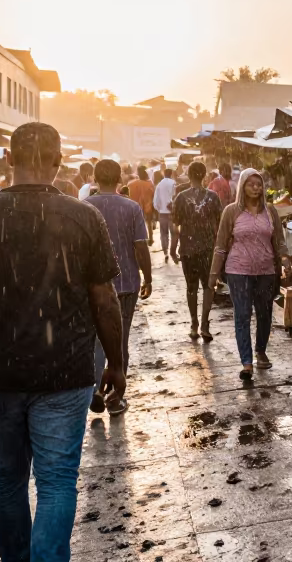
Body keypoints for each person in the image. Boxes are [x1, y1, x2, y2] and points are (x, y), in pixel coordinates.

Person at [0, 122, 125, 562]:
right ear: (58, 162)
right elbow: (105, 301)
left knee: (6, 478)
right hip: (65, 371)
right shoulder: (82, 216)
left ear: (9, 158)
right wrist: (116, 363)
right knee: (56, 481)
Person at [205, 168, 291, 380]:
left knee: (264, 314)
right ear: (242, 187)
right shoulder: (231, 211)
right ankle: (246, 362)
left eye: (259, 184)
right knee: (242, 315)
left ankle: (260, 351)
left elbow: (279, 240)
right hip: (237, 271)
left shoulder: (270, 211)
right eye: (251, 184)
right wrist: (214, 273)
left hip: (266, 272)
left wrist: (285, 260)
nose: (256, 188)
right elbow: (221, 245)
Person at [85, 160, 152, 415]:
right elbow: (140, 246)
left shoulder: (86, 207)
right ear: (120, 178)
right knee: (119, 340)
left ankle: (95, 391)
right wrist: (148, 277)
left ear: (94, 177)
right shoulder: (131, 207)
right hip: (125, 284)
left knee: (97, 340)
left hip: (94, 286)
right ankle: (115, 397)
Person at [173, 161, 222, 340]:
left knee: (191, 288)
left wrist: (172, 248)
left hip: (187, 249)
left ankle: (193, 323)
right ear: (204, 175)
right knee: (209, 286)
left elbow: (175, 225)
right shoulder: (213, 197)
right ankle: (204, 324)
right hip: (208, 249)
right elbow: (220, 224)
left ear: (189, 175)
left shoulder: (181, 197)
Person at [152, 165, 178, 262]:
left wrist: (159, 209)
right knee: (174, 233)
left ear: (164, 174)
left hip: (162, 213)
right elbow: (175, 197)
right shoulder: (173, 183)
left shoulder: (159, 185)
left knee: (163, 233)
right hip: (172, 213)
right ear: (171, 174)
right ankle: (173, 251)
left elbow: (155, 201)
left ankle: (165, 252)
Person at [128, 166, 155, 235]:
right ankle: (151, 237)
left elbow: (130, 196)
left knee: (139, 223)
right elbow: (153, 194)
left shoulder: (131, 184)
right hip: (148, 205)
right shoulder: (149, 184)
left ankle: (141, 237)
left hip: (136, 206)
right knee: (149, 222)